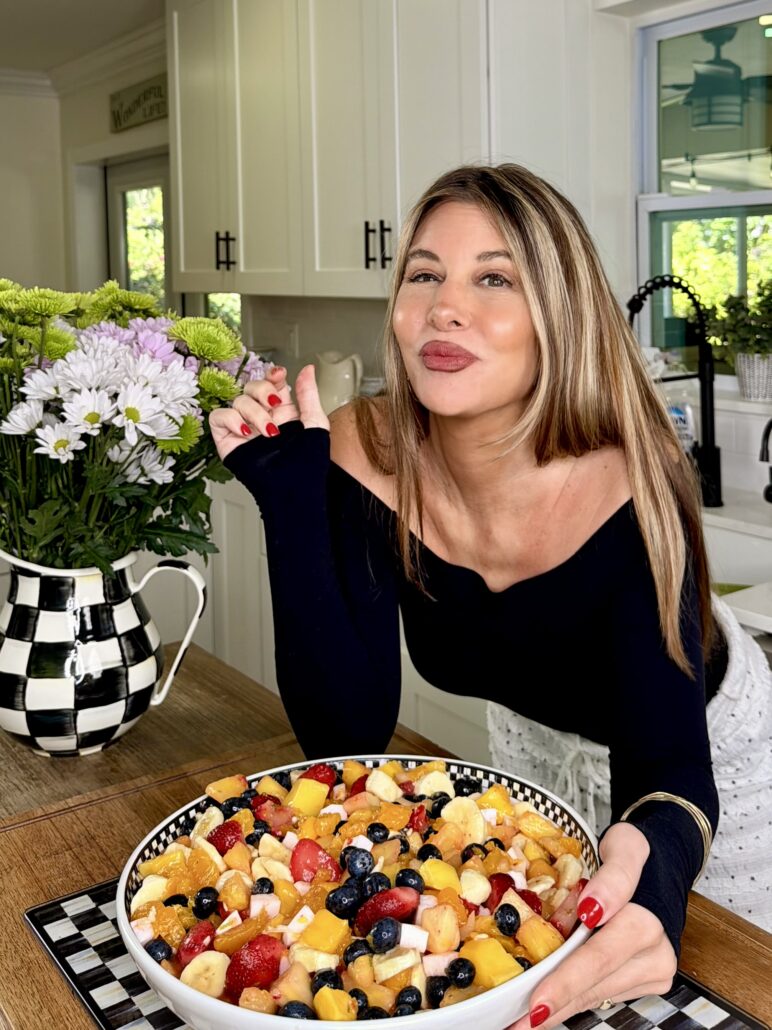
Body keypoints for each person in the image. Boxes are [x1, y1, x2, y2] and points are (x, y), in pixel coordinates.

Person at [209, 163, 772, 1027]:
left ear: (561, 314)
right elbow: (347, 733)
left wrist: (654, 876)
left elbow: (669, 762)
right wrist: (292, 498)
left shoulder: (631, 478)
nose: (444, 305)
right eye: (424, 273)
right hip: (533, 754)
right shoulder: (368, 447)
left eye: (494, 278)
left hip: (705, 765)